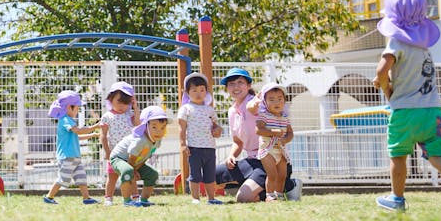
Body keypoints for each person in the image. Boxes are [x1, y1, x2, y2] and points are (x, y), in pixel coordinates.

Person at [373, 0, 441, 213]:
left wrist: (384, 85)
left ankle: (397, 199)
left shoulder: (396, 42)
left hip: (405, 112)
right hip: (433, 111)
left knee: (398, 155)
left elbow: (381, 70)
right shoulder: (424, 48)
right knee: (438, 153)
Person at [214, 67, 302, 203]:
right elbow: (237, 141)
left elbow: (255, 107)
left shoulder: (259, 103)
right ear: (227, 88)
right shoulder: (232, 111)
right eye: (231, 84)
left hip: (268, 159)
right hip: (250, 161)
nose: (235, 87)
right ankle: (253, 185)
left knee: (243, 198)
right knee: (211, 176)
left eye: (240, 82)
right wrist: (231, 155)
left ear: (249, 85)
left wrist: (256, 103)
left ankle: (288, 185)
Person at [43, 90, 101, 205]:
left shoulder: (68, 120)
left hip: (74, 156)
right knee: (63, 178)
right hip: (67, 156)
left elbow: (76, 137)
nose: (78, 111)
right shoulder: (65, 120)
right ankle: (49, 197)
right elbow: (78, 131)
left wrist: (92, 135)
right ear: (70, 107)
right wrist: (95, 126)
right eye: (77, 108)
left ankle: (86, 198)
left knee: (81, 178)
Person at [177, 72, 223, 205]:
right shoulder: (186, 109)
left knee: (209, 175)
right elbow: (182, 128)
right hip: (194, 147)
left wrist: (218, 130)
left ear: (206, 91)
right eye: (194, 90)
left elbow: (216, 126)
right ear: (187, 92)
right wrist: (183, 144)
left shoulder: (209, 110)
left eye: (202, 90)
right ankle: (195, 198)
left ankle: (211, 198)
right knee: (195, 175)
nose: (198, 93)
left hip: (210, 147)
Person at [109, 105, 169, 207]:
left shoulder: (157, 140)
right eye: (154, 127)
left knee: (152, 175)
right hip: (119, 158)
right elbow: (131, 157)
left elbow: (146, 156)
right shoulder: (140, 140)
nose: (159, 131)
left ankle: (144, 200)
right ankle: (127, 201)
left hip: (135, 161)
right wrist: (133, 171)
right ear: (145, 126)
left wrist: (136, 169)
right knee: (128, 172)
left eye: (162, 127)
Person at [247, 83, 294, 202]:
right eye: (271, 99)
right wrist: (273, 131)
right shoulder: (264, 116)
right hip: (267, 149)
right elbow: (258, 130)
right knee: (272, 174)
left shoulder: (285, 117)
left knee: (282, 175)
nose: (276, 102)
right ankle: (270, 195)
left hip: (281, 150)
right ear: (265, 102)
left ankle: (280, 194)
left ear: (284, 101)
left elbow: (290, 133)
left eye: (279, 99)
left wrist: (285, 139)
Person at [99, 81, 140, 205]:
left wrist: (135, 106)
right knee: (112, 177)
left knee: (130, 175)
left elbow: (138, 124)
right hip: (114, 153)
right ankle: (108, 198)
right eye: (118, 101)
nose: (122, 106)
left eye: (126, 102)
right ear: (111, 99)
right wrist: (107, 151)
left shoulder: (131, 115)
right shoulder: (107, 116)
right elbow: (103, 135)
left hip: (128, 152)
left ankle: (135, 197)